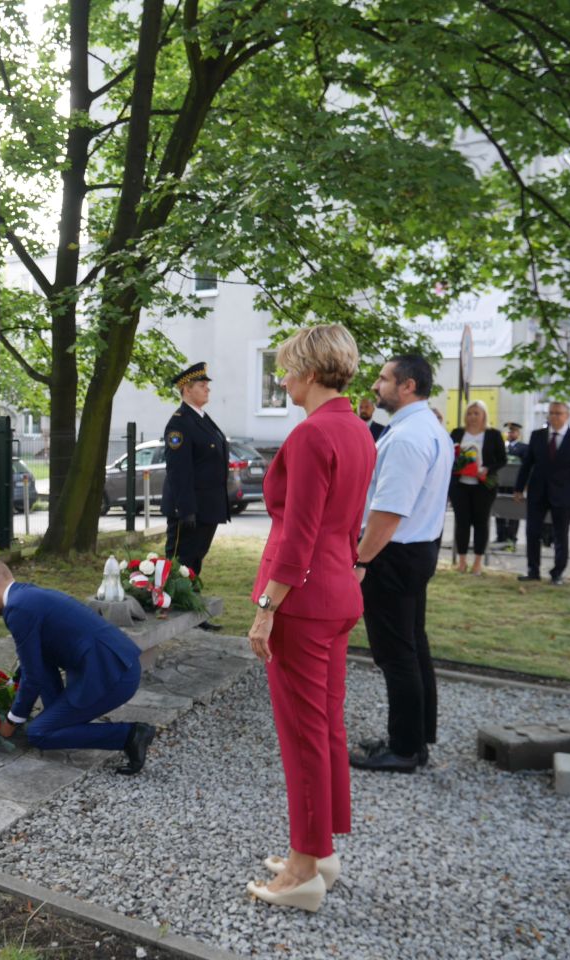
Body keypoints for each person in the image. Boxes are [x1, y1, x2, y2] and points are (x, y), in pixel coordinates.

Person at [244, 325, 376, 913]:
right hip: (337, 593)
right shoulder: (358, 430)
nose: (282, 379)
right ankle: (320, 852)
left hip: (301, 601)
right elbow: (346, 526)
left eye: (288, 368)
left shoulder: (311, 434)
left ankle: (302, 871)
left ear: (313, 372)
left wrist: (266, 610)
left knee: (303, 735)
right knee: (325, 728)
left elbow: (298, 535)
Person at [347, 355, 452, 774]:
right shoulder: (426, 428)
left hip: (393, 554)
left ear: (407, 386)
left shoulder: (408, 437)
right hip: (415, 549)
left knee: (395, 655)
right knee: (412, 646)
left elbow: (388, 512)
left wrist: (360, 560)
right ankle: (416, 738)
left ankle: (405, 749)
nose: (376, 385)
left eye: (384, 379)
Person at [0, 559, 155, 774]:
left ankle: (131, 735)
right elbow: (33, 661)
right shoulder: (26, 595)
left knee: (39, 733)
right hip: (106, 663)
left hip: (112, 674)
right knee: (50, 713)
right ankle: (56, 718)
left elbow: (33, 675)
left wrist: (11, 721)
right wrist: (11, 688)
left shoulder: (17, 608)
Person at [160, 361, 229, 577]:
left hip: (207, 507)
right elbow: (178, 470)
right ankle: (172, 598)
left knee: (194, 563)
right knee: (180, 565)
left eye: (207, 385)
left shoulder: (201, 418)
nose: (207, 389)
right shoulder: (179, 423)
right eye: (201, 385)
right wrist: (186, 509)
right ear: (187, 389)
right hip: (190, 510)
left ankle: (189, 595)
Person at [515, 402, 570, 585]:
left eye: (558, 413)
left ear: (567, 416)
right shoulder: (537, 436)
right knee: (532, 532)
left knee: (561, 535)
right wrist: (519, 488)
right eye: (551, 413)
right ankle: (533, 570)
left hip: (564, 494)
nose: (554, 416)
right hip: (537, 492)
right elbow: (527, 464)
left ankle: (557, 573)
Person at [448, 400, 506, 575]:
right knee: (462, 523)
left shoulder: (493, 434)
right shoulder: (457, 433)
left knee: (481, 523)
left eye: (476, 413)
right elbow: (449, 454)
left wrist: (487, 469)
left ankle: (478, 563)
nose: (472, 417)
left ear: (484, 416)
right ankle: (462, 561)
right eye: (469, 413)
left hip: (484, 487)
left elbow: (502, 460)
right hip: (460, 486)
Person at [493, 422, 528, 547]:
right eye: (509, 431)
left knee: (514, 511)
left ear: (518, 433)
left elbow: (526, 467)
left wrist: (524, 484)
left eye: (513, 431)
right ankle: (500, 535)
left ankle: (512, 537)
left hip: (515, 484)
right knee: (499, 508)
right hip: (501, 483)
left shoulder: (523, 448)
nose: (510, 434)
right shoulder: (501, 447)